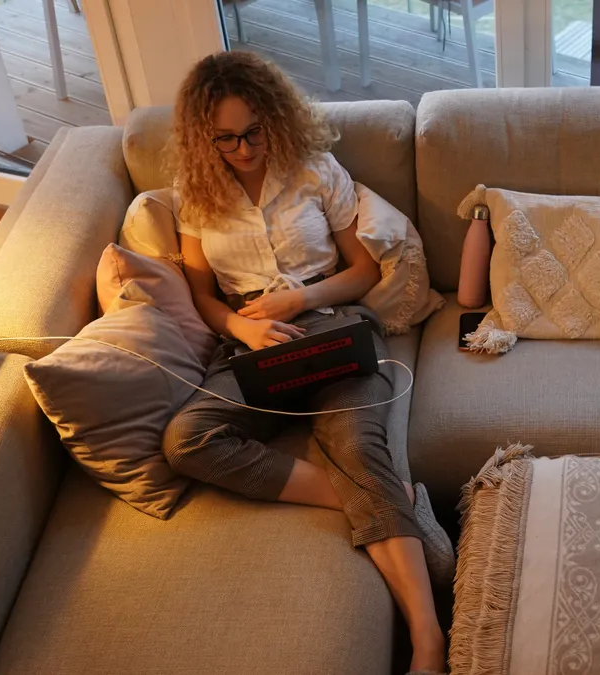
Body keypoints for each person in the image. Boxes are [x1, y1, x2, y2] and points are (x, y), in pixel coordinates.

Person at [160, 51, 449, 675]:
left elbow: (364, 271)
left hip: (330, 324)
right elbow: (202, 294)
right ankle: (374, 497)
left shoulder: (315, 169)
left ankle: (428, 643)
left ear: (273, 116)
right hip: (249, 340)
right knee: (186, 439)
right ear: (203, 136)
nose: (242, 149)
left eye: (253, 132)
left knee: (358, 444)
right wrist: (240, 323)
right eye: (226, 138)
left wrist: (302, 297)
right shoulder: (195, 193)